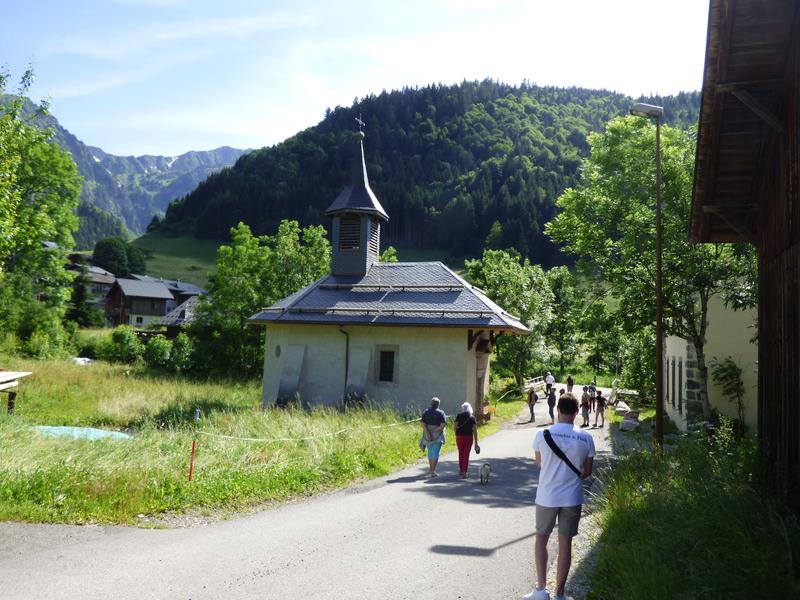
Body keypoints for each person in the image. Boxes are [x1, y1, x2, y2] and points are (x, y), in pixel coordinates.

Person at [523, 393, 595, 600]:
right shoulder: (586, 437)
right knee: (566, 543)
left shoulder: (542, 434)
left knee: (541, 539)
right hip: (572, 497)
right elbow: (587, 472)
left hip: (546, 496)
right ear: (576, 412)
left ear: (558, 410)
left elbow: (539, 463)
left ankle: (540, 590)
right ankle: (560, 594)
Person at [421, 397, 447, 477]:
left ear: (431, 403)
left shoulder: (426, 412)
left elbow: (423, 424)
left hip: (427, 435)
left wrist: (428, 431)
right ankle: (433, 471)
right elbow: (442, 426)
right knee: (436, 452)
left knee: (430, 452)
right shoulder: (441, 413)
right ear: (438, 404)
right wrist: (433, 431)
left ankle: (431, 470)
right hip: (437, 435)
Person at [454, 402, 479, 478]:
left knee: (460, 453)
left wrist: (457, 434)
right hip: (468, 437)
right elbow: (475, 430)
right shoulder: (472, 418)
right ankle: (465, 472)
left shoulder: (458, 416)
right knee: (466, 454)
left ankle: (461, 470)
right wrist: (476, 442)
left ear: (462, 409)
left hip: (459, 437)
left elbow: (455, 427)